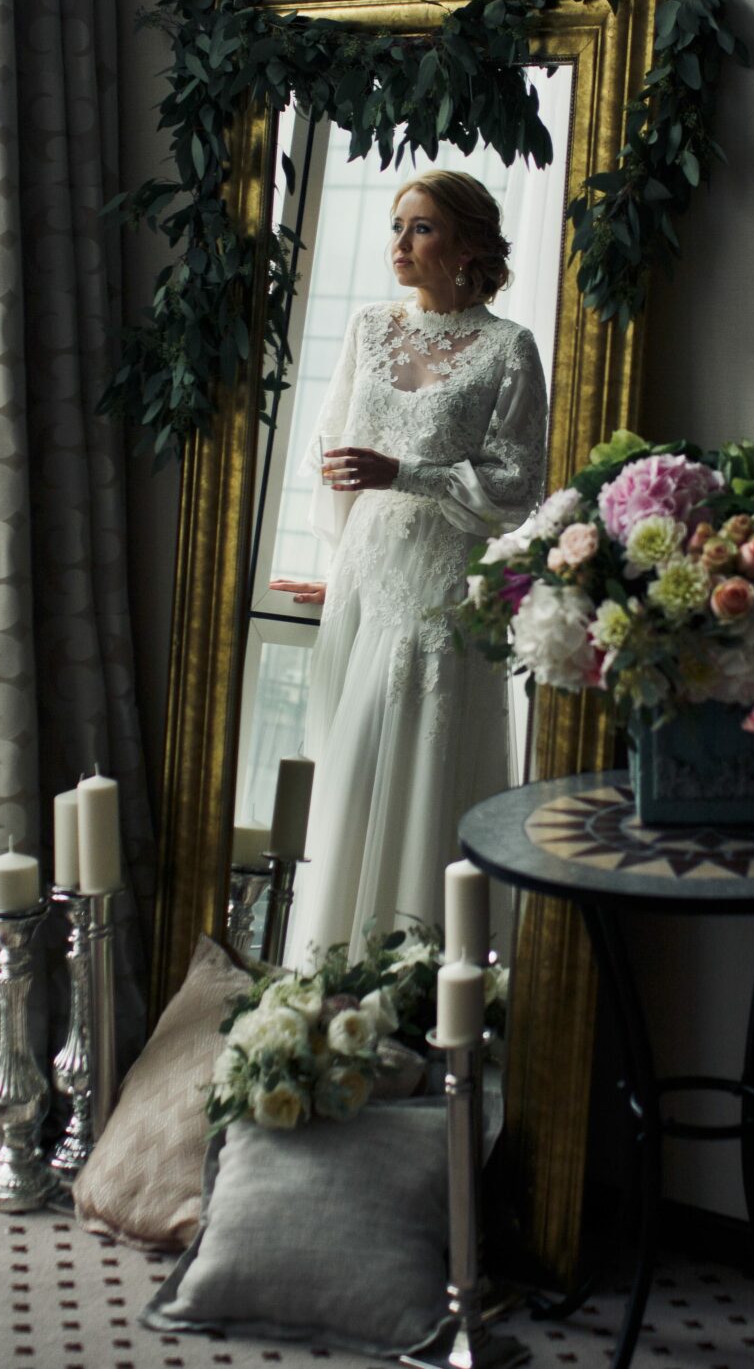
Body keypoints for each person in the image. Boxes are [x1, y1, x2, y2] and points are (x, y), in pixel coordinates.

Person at [269, 169, 546, 964]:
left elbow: (516, 488)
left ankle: (420, 980)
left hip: (442, 589)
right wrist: (340, 561)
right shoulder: (368, 329)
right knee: (350, 774)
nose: (398, 243)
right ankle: (329, 978)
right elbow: (335, 457)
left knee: (423, 769)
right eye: (396, 226)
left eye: (419, 228)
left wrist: (407, 474)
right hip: (365, 575)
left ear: (466, 246)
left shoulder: (508, 348)